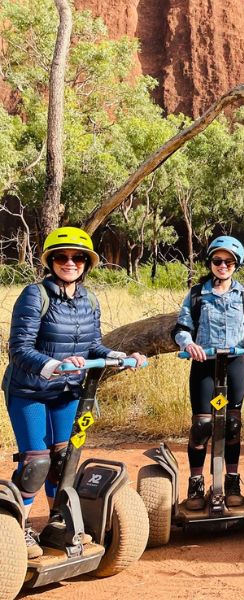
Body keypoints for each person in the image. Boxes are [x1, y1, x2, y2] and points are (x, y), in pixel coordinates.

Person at [4, 227, 147, 558]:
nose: (70, 262)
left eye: (78, 257)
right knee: (36, 463)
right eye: (62, 256)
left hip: (68, 390)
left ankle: (56, 524)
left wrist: (120, 356)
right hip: (30, 390)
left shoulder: (88, 300)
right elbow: (19, 349)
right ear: (51, 261)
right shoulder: (34, 295)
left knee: (64, 461)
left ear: (86, 263)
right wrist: (54, 363)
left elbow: (93, 344)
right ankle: (17, 530)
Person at [173, 236, 244, 510]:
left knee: (232, 426)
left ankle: (232, 482)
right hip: (204, 365)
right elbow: (181, 327)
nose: (222, 266)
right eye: (217, 261)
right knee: (201, 427)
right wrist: (188, 343)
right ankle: (197, 485)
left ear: (236, 265)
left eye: (228, 262)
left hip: (234, 363)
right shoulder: (197, 294)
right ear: (210, 263)